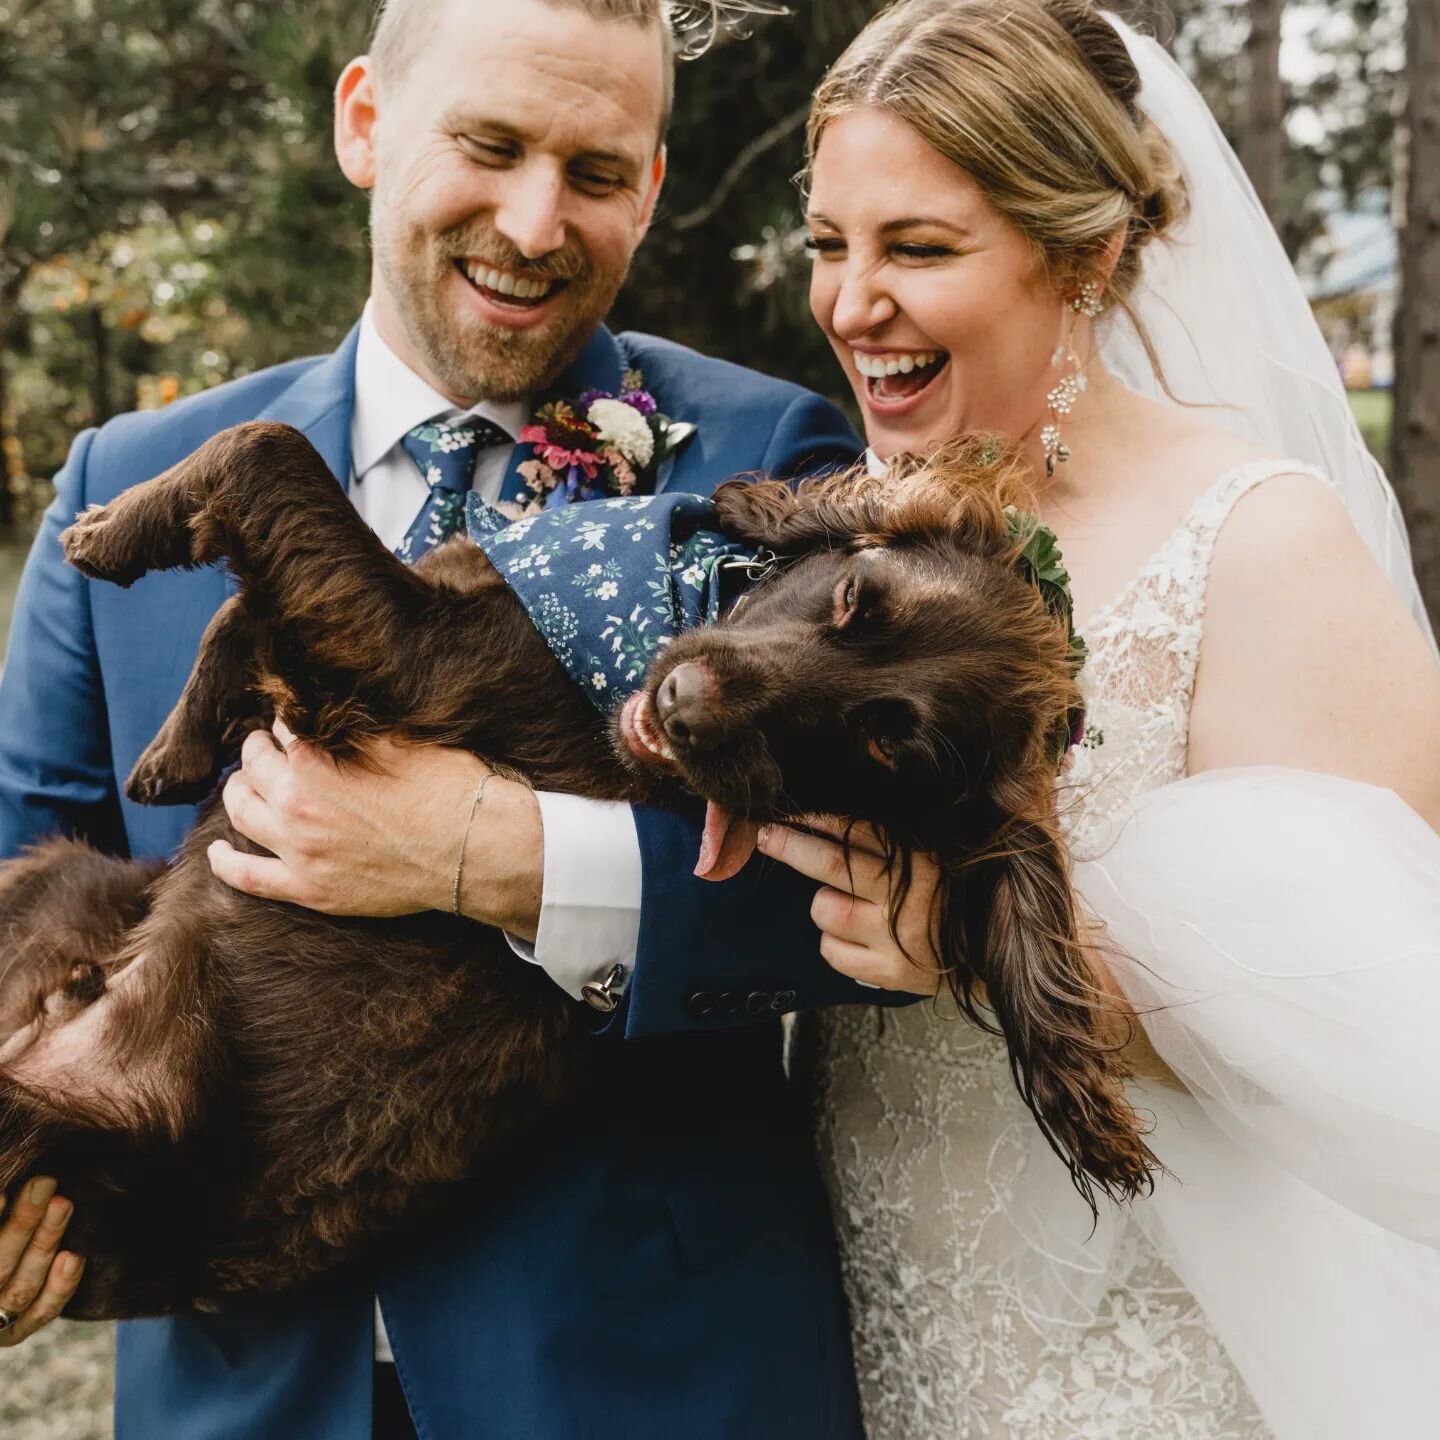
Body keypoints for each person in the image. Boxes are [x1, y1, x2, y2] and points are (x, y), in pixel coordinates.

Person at [0, 2, 884, 1436]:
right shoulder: (134, 473)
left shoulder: (766, 465)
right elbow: (26, 881)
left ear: (654, 184)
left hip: (639, 1381)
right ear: (364, 122)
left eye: (597, 173)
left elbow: (856, 910)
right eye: (489, 147)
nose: (535, 224)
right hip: (241, 1384)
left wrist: (501, 856)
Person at [746, 2, 1440, 1437]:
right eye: (830, 244)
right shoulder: (845, 533)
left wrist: (986, 955)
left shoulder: (1257, 546)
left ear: (1090, 251)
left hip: (1146, 1361)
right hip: (870, 1326)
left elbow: (1386, 1053)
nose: (851, 301)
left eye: (918, 248)